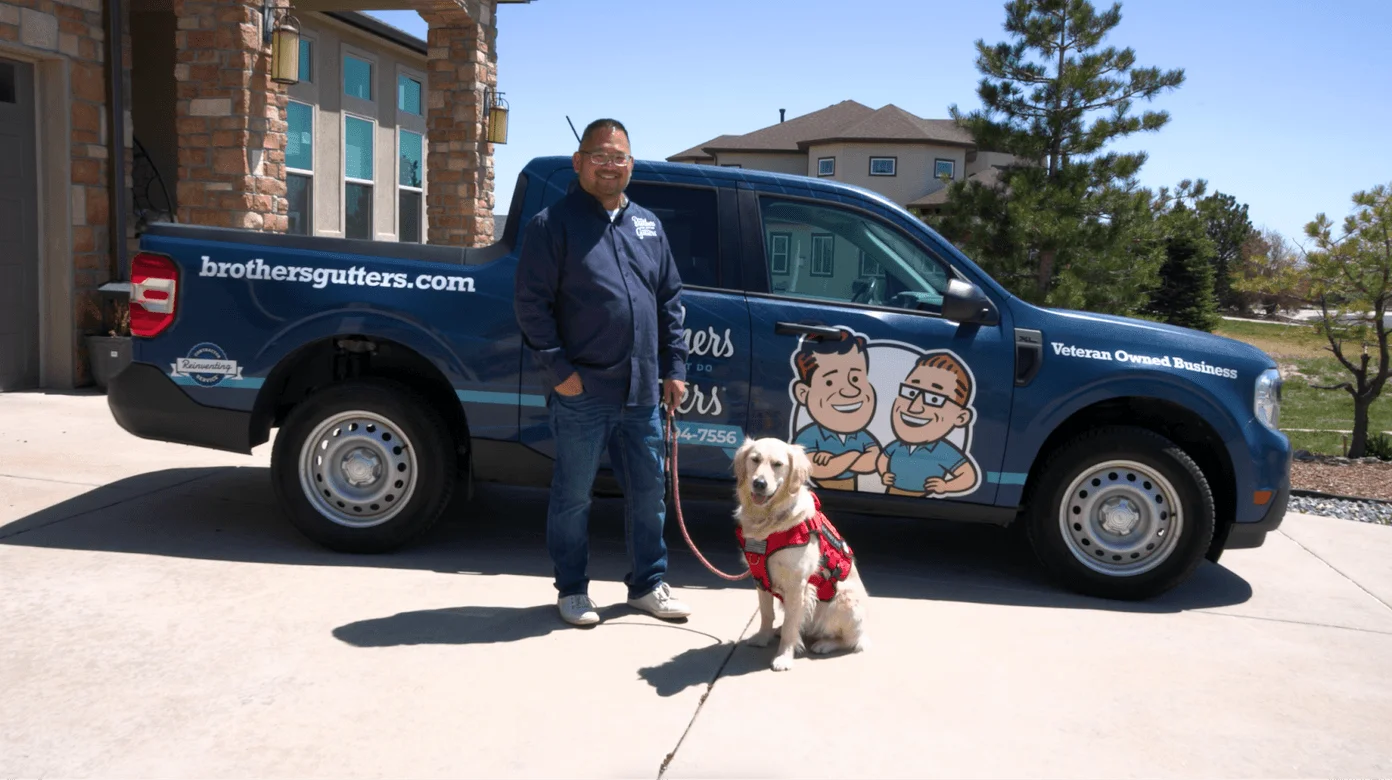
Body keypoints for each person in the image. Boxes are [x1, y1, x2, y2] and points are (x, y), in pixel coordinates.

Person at [513, 118, 692, 626]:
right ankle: (571, 590)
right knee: (573, 497)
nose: (610, 166)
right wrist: (561, 373)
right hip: (582, 392)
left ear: (631, 164)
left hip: (642, 393)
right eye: (600, 156)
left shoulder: (649, 226)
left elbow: (670, 300)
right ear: (579, 162)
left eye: (619, 158)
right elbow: (531, 306)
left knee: (647, 494)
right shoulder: (553, 224)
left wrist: (674, 366)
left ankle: (648, 584)